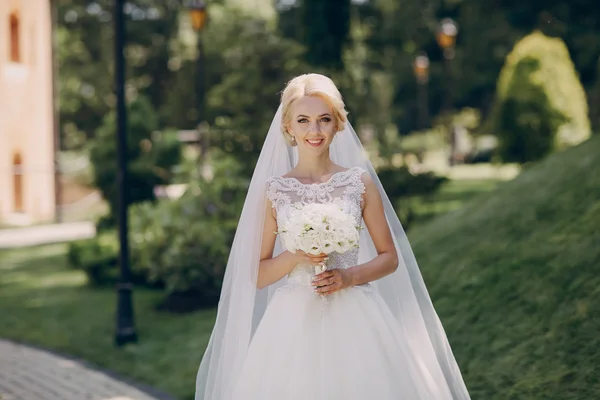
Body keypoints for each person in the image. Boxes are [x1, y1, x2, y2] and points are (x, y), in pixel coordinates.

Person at [195, 74, 471, 400]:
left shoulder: (359, 183)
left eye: (324, 119)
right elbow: (257, 275)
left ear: (338, 124)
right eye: (304, 120)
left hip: (355, 313)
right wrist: (296, 254)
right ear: (288, 127)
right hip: (293, 322)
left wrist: (348, 276)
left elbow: (389, 258)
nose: (315, 131)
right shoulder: (275, 192)